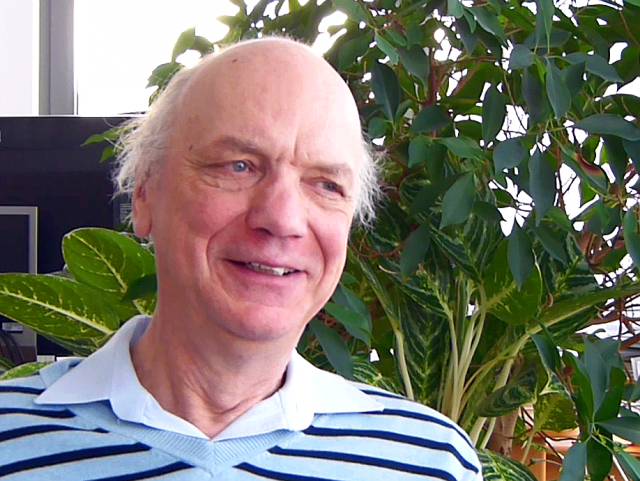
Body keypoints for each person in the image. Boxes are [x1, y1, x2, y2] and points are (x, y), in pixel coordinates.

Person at [0, 37, 483, 480]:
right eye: (239, 166)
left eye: (326, 184)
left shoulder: (431, 463)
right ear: (144, 193)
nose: (283, 218)